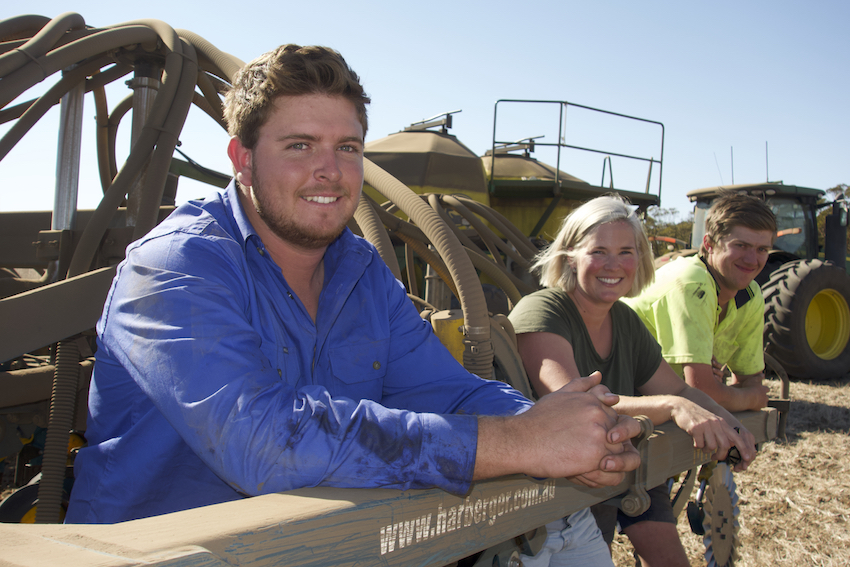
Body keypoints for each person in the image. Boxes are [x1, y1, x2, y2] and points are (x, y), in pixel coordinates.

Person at [65, 45, 642, 525]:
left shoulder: (361, 271)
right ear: (241, 157)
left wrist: (565, 431)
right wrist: (522, 445)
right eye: (299, 146)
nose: (330, 170)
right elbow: (261, 441)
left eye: (347, 147)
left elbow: (449, 390)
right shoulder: (176, 266)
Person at [507, 195, 758, 567]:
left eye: (626, 251)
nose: (614, 265)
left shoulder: (624, 319)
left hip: (620, 472)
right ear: (571, 256)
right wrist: (673, 407)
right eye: (599, 251)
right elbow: (575, 409)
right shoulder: (543, 310)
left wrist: (731, 425)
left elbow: (680, 389)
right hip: (547, 497)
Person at [623, 193, 774, 412]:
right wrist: (748, 398)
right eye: (740, 245)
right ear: (709, 244)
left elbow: (750, 381)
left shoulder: (750, 294)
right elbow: (702, 393)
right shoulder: (692, 282)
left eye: (762, 250)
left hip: (665, 399)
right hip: (622, 393)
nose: (752, 260)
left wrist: (727, 392)